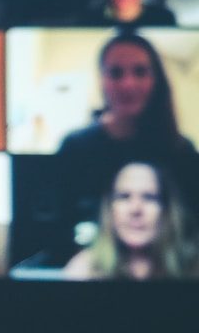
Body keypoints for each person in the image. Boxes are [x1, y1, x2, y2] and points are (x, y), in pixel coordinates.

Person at [57, 33, 197, 210]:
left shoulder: (181, 151)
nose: (128, 84)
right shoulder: (75, 148)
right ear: (102, 80)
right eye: (116, 73)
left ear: (156, 80)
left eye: (140, 72)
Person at [63, 160, 196, 280]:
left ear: (167, 210)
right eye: (124, 197)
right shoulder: (83, 270)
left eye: (149, 197)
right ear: (109, 209)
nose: (135, 209)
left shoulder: (193, 269)